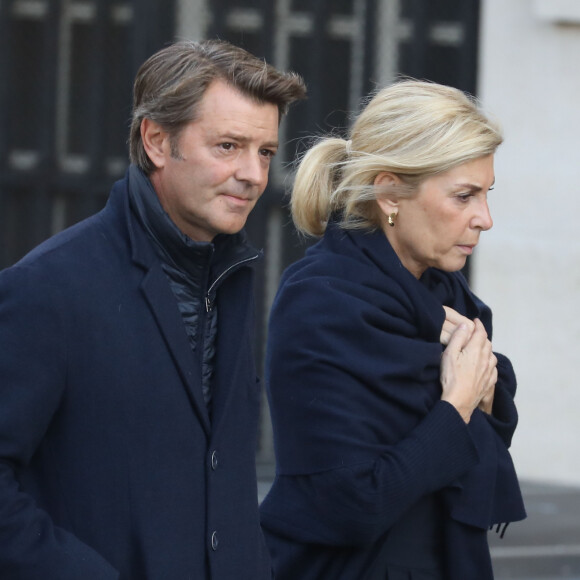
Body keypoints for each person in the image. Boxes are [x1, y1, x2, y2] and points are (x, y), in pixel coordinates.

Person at [0, 39, 305, 579]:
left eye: (265, 152)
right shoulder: (46, 287)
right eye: (229, 146)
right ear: (157, 141)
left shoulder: (232, 275)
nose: (255, 175)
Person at [259, 80, 526, 579]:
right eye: (464, 196)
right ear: (389, 192)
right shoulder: (322, 303)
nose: (484, 219)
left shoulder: (445, 296)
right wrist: (459, 404)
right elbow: (352, 505)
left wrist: (479, 394)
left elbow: (491, 422)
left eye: (486, 194)